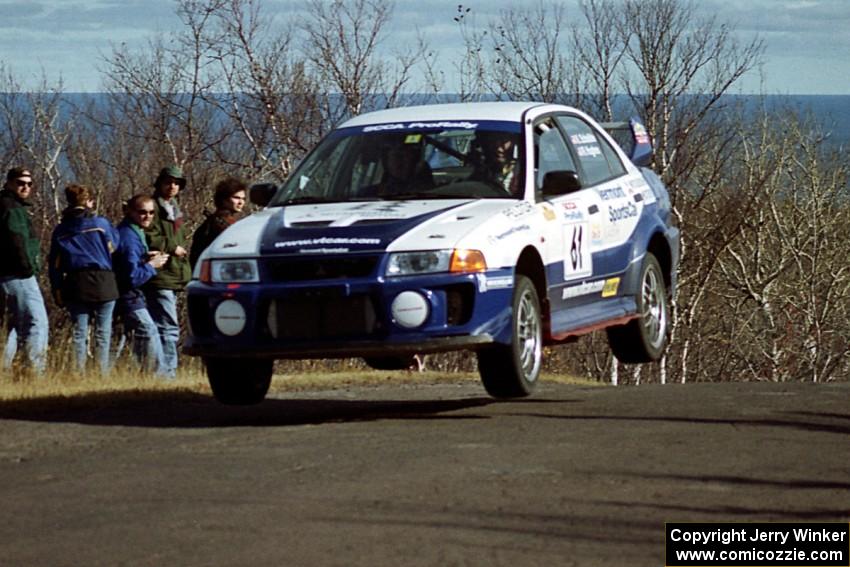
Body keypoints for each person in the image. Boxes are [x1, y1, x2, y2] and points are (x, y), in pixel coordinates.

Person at [48, 184, 120, 374]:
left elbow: (54, 264)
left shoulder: (61, 230)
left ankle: (79, 373)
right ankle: (101, 373)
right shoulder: (101, 224)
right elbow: (114, 246)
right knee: (103, 333)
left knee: (80, 333)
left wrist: (57, 290)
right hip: (104, 281)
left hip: (75, 282)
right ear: (88, 201)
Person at [144, 165, 191, 378]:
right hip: (160, 273)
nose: (172, 186)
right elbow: (148, 235)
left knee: (162, 325)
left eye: (176, 183)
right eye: (168, 182)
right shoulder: (151, 207)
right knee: (168, 326)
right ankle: (168, 373)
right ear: (160, 183)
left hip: (173, 274)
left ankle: (161, 370)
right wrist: (172, 248)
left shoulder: (174, 207)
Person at [0, 166, 49, 374]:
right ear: (9, 183)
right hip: (18, 276)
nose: (26, 187)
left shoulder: (7, 205)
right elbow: (17, 240)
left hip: (5, 276)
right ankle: (33, 373)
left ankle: (5, 374)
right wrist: (28, 269)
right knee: (36, 322)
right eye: (20, 183)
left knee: (8, 328)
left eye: (29, 183)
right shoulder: (11, 208)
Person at [114, 194, 169, 376]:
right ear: (130, 211)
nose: (148, 216)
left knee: (121, 341)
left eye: (152, 213)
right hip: (128, 296)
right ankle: (159, 378)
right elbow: (132, 277)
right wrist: (151, 266)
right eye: (142, 212)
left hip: (126, 295)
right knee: (148, 331)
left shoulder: (132, 231)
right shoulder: (129, 237)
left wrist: (145, 258)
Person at [189, 177, 247, 269]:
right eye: (236, 198)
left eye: (243, 199)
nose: (241, 202)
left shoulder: (225, 221)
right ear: (224, 199)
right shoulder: (219, 223)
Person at [470, 130, 521, 196]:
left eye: (503, 141)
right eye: (493, 141)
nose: (499, 148)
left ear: (514, 142)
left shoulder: (524, 169)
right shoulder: (482, 170)